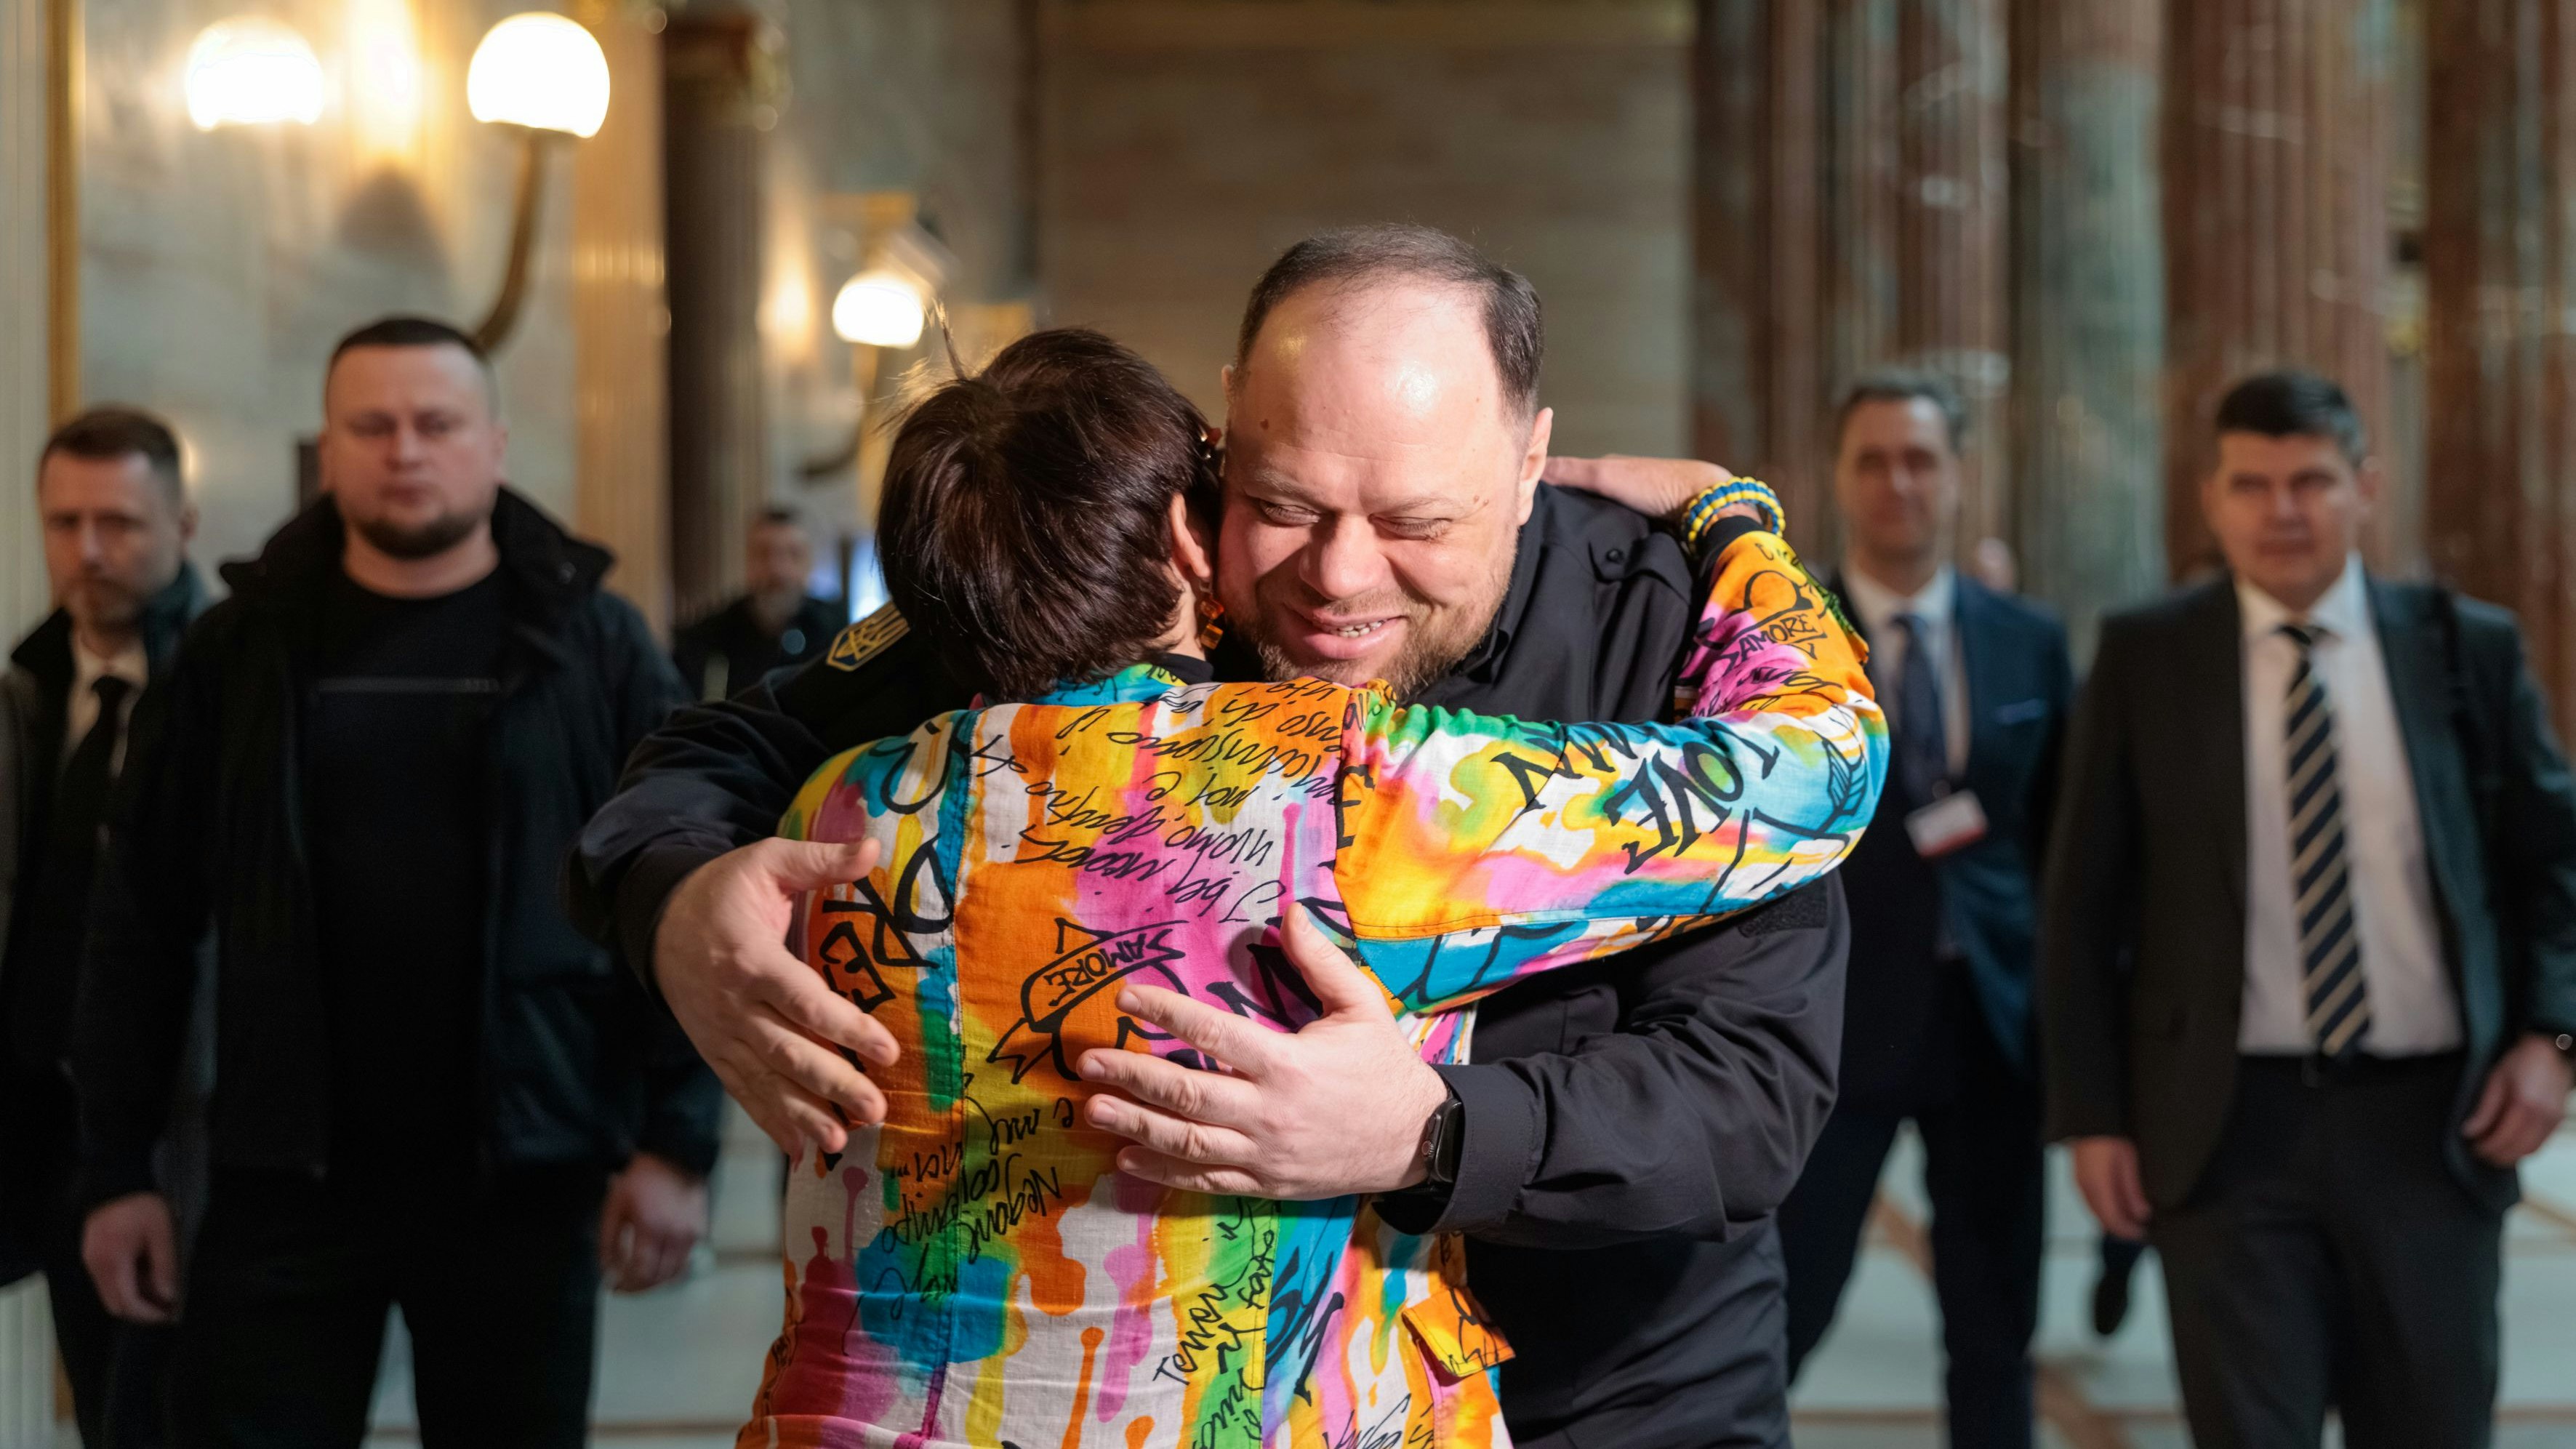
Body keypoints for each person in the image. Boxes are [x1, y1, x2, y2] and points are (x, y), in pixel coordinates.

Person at [571, 224, 1862, 1448]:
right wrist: (672, 901)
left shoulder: (1682, 626)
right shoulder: (1132, 555)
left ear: (1529, 461)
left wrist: (1431, 1134)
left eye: (1416, 524)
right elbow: (719, 748)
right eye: (1284, 502)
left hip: (1622, 1389)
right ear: (1219, 447)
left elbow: (1752, 1099)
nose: (1338, 577)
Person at [73, 316, 726, 1448]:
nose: (404, 449)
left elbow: (680, 900)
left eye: (436, 423)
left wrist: (677, 1141)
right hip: (285, 1169)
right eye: (371, 426)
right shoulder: (239, 650)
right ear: (327, 449)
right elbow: (141, 919)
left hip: (522, 1171)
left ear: (494, 443)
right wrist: (118, 1168)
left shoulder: (595, 645)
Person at [2042, 369, 2576, 1449]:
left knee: (2433, 1427)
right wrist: (2092, 1114)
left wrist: (2553, 1037)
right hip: (2223, 1127)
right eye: (2250, 484)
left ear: (2365, 487)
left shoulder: (2461, 648)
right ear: (2210, 498)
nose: (2280, 511)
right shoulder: (2147, 655)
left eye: (2310, 482)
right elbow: (2080, 901)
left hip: (2432, 1126)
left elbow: (2554, 862)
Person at [0, 407, 202, 1447]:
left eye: (118, 522)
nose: (89, 550)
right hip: (41, 1125)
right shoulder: (26, 698)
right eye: (65, 522)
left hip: (182, 1132)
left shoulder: (225, 694)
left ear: (182, 526)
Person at [672, 507, 843, 700]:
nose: (777, 570)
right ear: (747, 560)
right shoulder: (706, 638)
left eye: (793, 554)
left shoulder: (836, 633)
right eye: (764, 554)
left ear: (809, 563)